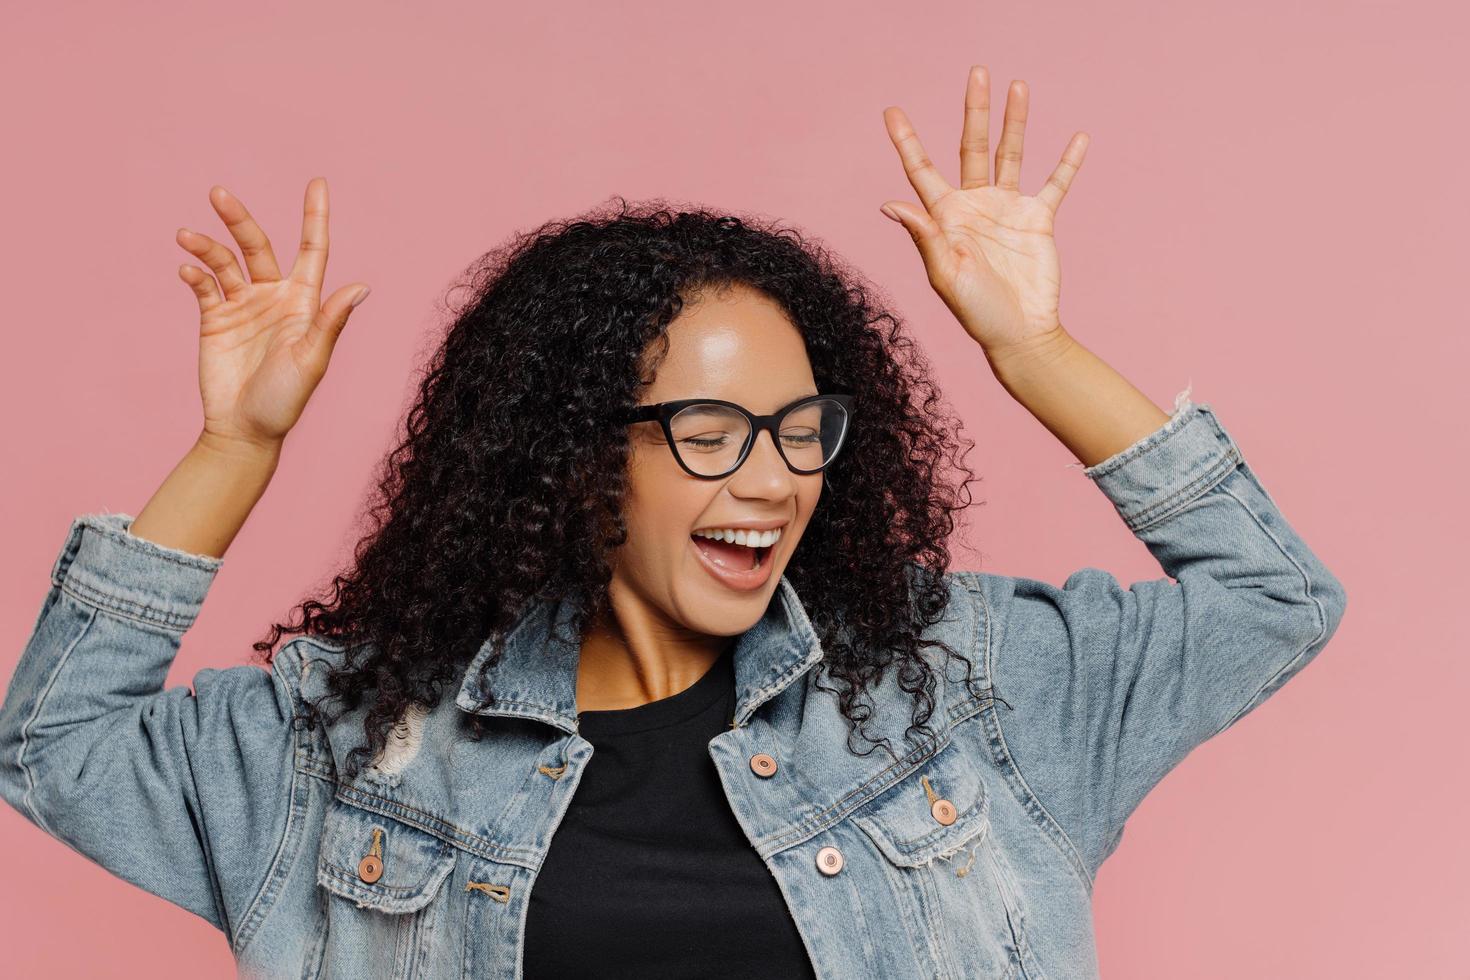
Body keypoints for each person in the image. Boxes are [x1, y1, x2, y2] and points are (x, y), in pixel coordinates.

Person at [0, 66, 1346, 979]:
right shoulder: (357, 752)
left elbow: (1269, 601)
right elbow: (54, 747)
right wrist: (237, 446)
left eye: (797, 427)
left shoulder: (962, 689)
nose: (768, 480)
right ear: (575, 460)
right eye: (706, 437)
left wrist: (1035, 349)